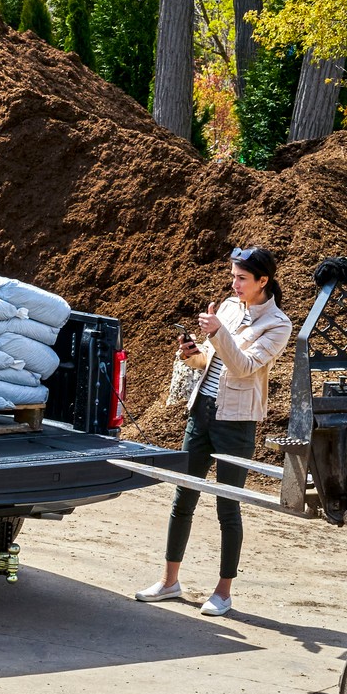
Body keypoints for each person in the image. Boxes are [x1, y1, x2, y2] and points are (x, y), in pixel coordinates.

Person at [134, 246, 292, 617]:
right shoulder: (229, 306)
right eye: (233, 276)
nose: (234, 284)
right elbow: (210, 360)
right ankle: (169, 581)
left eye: (242, 278)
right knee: (183, 497)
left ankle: (223, 592)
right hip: (202, 411)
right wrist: (191, 354)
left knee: (227, 506)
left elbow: (243, 367)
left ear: (263, 281)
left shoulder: (278, 324)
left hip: (236, 421)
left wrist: (219, 332)